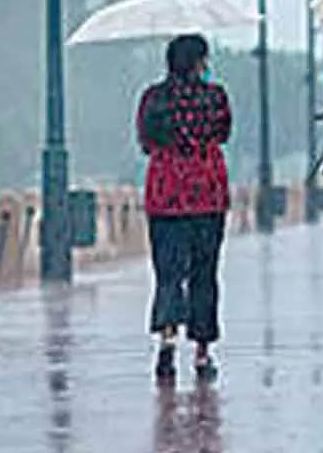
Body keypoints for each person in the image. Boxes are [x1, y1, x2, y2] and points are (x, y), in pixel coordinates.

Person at [136, 33, 232, 382]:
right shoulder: (215, 97)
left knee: (168, 270)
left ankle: (167, 341)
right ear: (198, 62)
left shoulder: (153, 98)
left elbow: (146, 142)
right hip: (207, 192)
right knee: (204, 272)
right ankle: (203, 352)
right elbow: (223, 134)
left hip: (166, 193)